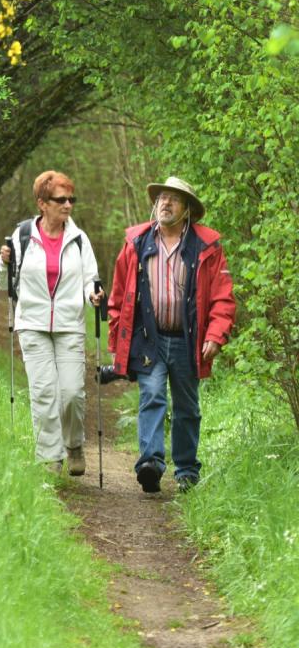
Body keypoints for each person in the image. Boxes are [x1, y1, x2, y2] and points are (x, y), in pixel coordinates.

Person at [107, 176, 236, 493]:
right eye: (162, 197)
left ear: (187, 209)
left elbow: (223, 297)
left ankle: (187, 472)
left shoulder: (206, 247)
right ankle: (150, 464)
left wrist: (216, 335)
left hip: (187, 340)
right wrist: (118, 343)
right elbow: (119, 296)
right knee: (151, 396)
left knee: (187, 407)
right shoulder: (136, 243)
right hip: (148, 338)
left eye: (174, 199)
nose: (165, 203)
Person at [0, 170, 104, 475]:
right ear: (42, 203)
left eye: (71, 199)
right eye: (60, 199)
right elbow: (3, 282)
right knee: (43, 391)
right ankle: (49, 458)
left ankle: (73, 445)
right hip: (32, 322)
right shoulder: (22, 236)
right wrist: (4, 262)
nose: (68, 205)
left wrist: (93, 295)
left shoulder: (80, 239)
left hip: (69, 323)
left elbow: (89, 280)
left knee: (71, 394)